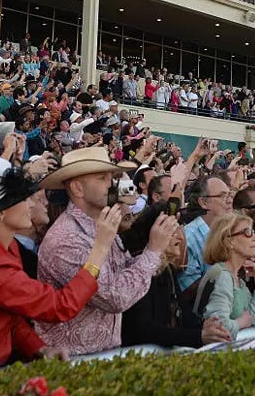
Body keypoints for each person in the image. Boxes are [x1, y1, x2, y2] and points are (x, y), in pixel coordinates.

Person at [0, 157, 123, 374]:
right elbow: (60, 306)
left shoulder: (4, 248)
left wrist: (39, 348)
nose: (32, 204)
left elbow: (10, 319)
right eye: (24, 199)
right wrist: (99, 248)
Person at [36, 147, 178, 356]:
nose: (111, 184)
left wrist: (152, 250)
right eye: (102, 178)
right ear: (77, 188)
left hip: (99, 357)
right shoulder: (67, 239)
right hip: (71, 363)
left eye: (111, 177)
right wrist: (153, 250)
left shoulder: (101, 225)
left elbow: (122, 272)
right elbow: (115, 297)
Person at [121, 203, 231, 348]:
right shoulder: (139, 270)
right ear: (154, 236)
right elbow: (145, 330)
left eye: (179, 228)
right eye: (172, 232)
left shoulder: (167, 269)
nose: (180, 237)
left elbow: (183, 312)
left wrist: (206, 327)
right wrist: (198, 336)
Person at [191, 213, 255, 340]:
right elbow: (220, 328)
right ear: (229, 241)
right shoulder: (223, 276)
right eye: (248, 232)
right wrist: (241, 322)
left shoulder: (237, 277)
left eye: (254, 232)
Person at [179, 175, 232, 291]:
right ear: (203, 202)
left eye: (229, 195)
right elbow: (188, 293)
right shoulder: (189, 238)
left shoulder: (230, 231)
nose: (229, 200)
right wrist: (229, 268)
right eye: (222, 196)